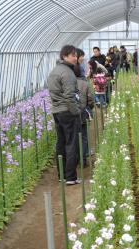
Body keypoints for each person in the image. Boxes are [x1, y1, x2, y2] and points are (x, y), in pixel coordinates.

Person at [47, 45, 81, 185]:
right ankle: (71, 177)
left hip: (57, 111)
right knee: (71, 143)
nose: (75, 58)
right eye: (73, 55)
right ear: (64, 56)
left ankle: (62, 175)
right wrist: (76, 111)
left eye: (76, 55)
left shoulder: (54, 71)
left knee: (61, 142)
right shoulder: (67, 73)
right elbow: (69, 96)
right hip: (67, 111)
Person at [74, 62, 94, 167]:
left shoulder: (67, 83)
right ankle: (83, 159)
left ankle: (75, 159)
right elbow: (90, 100)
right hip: (82, 113)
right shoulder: (85, 84)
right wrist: (88, 108)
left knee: (73, 137)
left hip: (71, 114)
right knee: (84, 137)